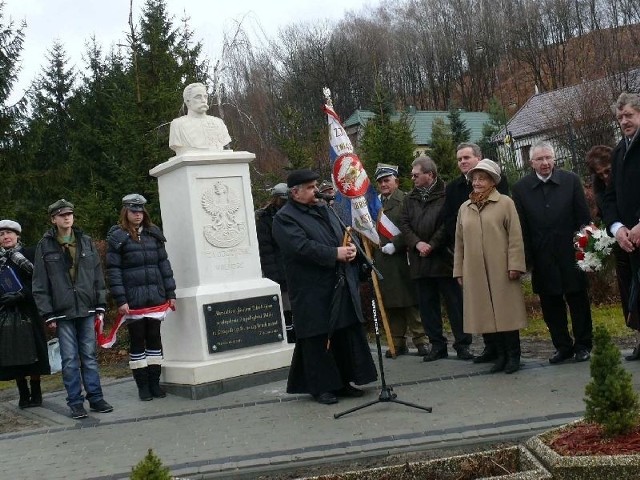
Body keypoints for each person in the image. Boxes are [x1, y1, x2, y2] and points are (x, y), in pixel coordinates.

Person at [272, 169, 377, 405]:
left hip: (338, 281)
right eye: (309, 188)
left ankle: (345, 381)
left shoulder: (325, 209)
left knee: (343, 331)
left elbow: (342, 234)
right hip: (311, 288)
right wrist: (334, 253)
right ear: (295, 192)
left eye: (315, 186)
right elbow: (300, 247)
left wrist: (349, 249)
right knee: (318, 337)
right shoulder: (284, 218)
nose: (315, 190)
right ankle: (322, 387)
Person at [512, 141, 593, 364]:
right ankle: (562, 346)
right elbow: (522, 226)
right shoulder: (521, 188)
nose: (545, 163)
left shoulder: (570, 181)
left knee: (578, 300)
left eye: (549, 158)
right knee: (550, 304)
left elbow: (583, 218)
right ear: (531, 163)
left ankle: (583, 345)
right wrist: (527, 260)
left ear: (554, 159)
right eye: (540, 159)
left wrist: (586, 250)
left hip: (571, 253)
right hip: (542, 255)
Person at [32, 199, 113, 419]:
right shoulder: (44, 245)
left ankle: (95, 398)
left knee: (89, 356)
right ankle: (75, 402)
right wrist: (47, 313)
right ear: (53, 219)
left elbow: (97, 277)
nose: (67, 218)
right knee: (69, 359)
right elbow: (40, 283)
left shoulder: (85, 241)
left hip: (87, 308)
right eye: (61, 215)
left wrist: (100, 305)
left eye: (69, 214)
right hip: (62, 311)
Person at [453, 160, 528, 374]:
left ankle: (514, 355)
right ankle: (499, 355)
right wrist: (458, 270)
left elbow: (515, 236)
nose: (476, 182)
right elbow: (459, 242)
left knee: (507, 313)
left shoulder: (505, 203)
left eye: (482, 178)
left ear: (493, 181)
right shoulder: (464, 208)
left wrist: (515, 264)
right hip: (475, 270)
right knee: (486, 313)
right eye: (474, 179)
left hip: (502, 267)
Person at [439, 142, 510, 364]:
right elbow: (450, 220)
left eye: (467, 157)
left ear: (478, 158)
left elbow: (506, 218)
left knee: (499, 303)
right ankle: (490, 347)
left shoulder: (499, 183)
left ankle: (507, 350)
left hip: (496, 251)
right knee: (480, 303)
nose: (463, 162)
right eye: (459, 159)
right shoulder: (452, 189)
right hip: (471, 252)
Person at [399, 156, 473, 362]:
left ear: (429, 175)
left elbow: (449, 222)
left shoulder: (446, 194)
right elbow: (404, 224)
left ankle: (462, 345)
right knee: (427, 306)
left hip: (443, 258)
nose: (412, 178)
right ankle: (437, 345)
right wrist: (417, 243)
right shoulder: (410, 198)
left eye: (416, 175)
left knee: (455, 305)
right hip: (419, 261)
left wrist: (432, 244)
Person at [106, 194, 177, 401]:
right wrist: (121, 300)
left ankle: (155, 383)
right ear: (126, 213)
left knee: (154, 339)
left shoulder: (153, 234)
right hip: (133, 300)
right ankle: (142, 386)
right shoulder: (118, 237)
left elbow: (164, 265)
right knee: (138, 340)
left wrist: (170, 293)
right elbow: (114, 270)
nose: (137, 215)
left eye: (140, 211)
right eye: (133, 211)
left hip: (155, 297)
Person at [586, 145, 637, 359]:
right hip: (620, 243)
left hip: (636, 234)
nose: (605, 177)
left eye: (608, 171)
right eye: (600, 174)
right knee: (628, 294)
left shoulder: (626, 177)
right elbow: (606, 210)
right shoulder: (601, 188)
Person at [372, 163, 428, 358]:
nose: (383, 184)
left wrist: (395, 244)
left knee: (410, 302)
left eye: (387, 180)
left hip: (403, 258)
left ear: (396, 181)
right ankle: (397, 341)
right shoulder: (374, 204)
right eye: (380, 181)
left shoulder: (406, 200)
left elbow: (411, 227)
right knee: (391, 303)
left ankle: (421, 340)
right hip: (382, 261)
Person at [602, 92, 640, 360]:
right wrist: (617, 228)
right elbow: (611, 195)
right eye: (620, 117)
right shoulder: (618, 151)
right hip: (630, 238)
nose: (624, 121)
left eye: (629, 115)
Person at [0, 220, 50, 408]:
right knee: (14, 353)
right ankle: (23, 392)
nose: (5, 237)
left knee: (34, 352)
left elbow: (39, 280)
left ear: (17, 235)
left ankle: (36, 391)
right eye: (2, 234)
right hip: (7, 312)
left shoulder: (29, 254)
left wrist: (22, 294)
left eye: (9, 233)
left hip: (29, 309)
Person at [256, 183, 294, 343]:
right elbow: (266, 250)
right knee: (286, 308)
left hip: (294, 268)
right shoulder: (265, 218)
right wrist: (274, 276)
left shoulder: (293, 214)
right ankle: (290, 338)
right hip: (279, 270)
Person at [169, 82, 232, 155]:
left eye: (205, 97)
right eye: (198, 97)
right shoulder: (178, 125)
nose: (203, 100)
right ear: (188, 101)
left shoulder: (219, 123)